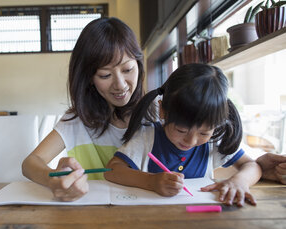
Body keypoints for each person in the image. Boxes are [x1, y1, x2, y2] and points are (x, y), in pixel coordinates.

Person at [22, 17, 145, 201]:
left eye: (127, 70)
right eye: (105, 75)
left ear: (139, 65)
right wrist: (52, 180)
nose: (120, 85)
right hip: (91, 213)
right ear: (89, 78)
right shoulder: (78, 119)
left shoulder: (156, 114)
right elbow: (30, 163)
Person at [104, 63, 262, 207]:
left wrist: (240, 181)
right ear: (162, 111)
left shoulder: (214, 140)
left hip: (200, 218)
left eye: (203, 133)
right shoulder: (147, 137)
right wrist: (151, 182)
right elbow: (113, 170)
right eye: (181, 130)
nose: (191, 140)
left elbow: (252, 165)